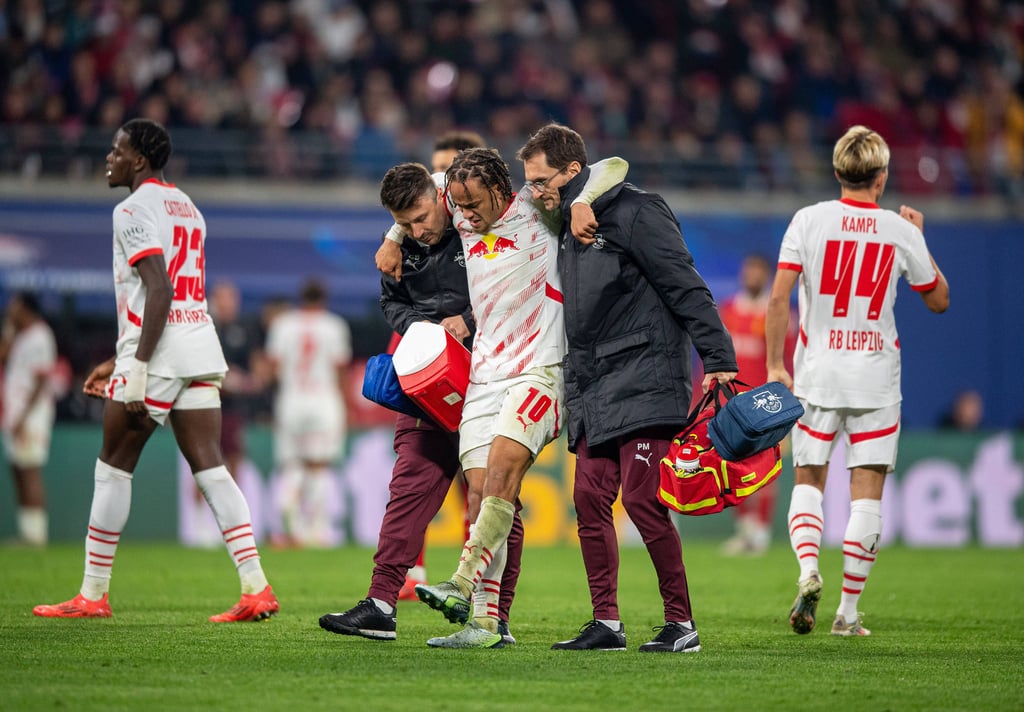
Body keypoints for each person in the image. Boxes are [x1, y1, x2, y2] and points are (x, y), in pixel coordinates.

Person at [33, 118, 278, 621]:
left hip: (160, 353)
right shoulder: (188, 206)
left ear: (139, 159)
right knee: (212, 469)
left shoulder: (131, 209)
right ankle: (256, 587)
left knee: (112, 468)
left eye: (117, 149)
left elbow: (159, 289)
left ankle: (93, 595)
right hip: (199, 345)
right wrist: (119, 356)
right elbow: (173, 293)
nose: (109, 157)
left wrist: (137, 365)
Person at [515, 123, 737, 653]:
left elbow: (684, 283)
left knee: (642, 501)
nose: (535, 191)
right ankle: (607, 623)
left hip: (644, 376)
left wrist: (719, 357)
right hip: (594, 383)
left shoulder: (638, 211)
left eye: (542, 180)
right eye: (530, 183)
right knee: (589, 502)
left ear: (573, 172)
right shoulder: (565, 222)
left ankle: (681, 624)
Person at [410, 146, 627, 648]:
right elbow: (425, 182)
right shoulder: (458, 202)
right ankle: (485, 624)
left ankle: (461, 580)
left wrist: (579, 201)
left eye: (474, 204)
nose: (465, 215)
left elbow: (614, 166)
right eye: (458, 205)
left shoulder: (537, 205)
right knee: (485, 492)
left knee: (505, 466)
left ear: (501, 191)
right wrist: (398, 232)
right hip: (485, 373)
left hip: (541, 368)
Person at [319, 161, 523, 644]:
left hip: (488, 377)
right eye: (404, 223)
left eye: (420, 218)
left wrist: (467, 320)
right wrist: (423, 330)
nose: (417, 230)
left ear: (440, 198)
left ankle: (493, 617)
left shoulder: (477, 220)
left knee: (494, 498)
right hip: (427, 381)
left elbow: (515, 284)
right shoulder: (400, 246)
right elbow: (390, 303)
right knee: (408, 492)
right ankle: (382, 603)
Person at [766, 124, 949, 637]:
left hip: (817, 375)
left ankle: (807, 574)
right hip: (874, 380)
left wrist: (777, 366)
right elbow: (939, 300)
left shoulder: (809, 219)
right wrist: (920, 240)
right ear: (882, 177)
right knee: (866, 494)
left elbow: (779, 299)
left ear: (837, 172)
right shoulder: (899, 229)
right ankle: (846, 613)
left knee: (809, 481)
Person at [393, 130, 486, 601]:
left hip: (486, 363)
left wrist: (467, 322)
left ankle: (476, 579)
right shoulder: (412, 236)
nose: (443, 183)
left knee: (483, 480)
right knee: (418, 467)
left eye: (449, 173)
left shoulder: (485, 225)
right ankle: (414, 569)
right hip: (430, 362)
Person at [265, 278, 353, 548]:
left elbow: (273, 366)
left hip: (292, 399)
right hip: (323, 399)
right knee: (319, 465)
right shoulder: (334, 325)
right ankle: (317, 529)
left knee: (291, 464)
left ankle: (290, 527)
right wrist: (347, 404)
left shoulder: (283, 324)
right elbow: (340, 368)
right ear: (324, 298)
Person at [717, 254, 795, 556]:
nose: (752, 276)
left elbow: (788, 359)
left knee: (764, 467)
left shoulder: (776, 315)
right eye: (748, 270)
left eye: (757, 272)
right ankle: (745, 530)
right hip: (730, 403)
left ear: (767, 276)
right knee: (730, 466)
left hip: (766, 403)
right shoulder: (727, 312)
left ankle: (760, 530)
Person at [1, 291, 57, 547]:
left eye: (14, 305)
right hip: (13, 411)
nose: (9, 309)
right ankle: (27, 533)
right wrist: (9, 333)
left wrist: (23, 418)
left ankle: (37, 536)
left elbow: (41, 382)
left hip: (32, 414)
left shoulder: (41, 336)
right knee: (17, 468)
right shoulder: (19, 336)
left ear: (25, 307)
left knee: (30, 468)